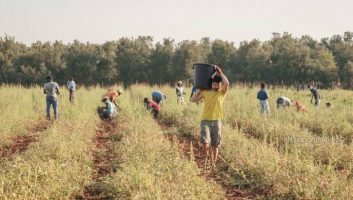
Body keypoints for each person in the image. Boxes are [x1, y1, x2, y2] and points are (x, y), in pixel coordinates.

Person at [191, 66, 229, 170]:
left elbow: (227, 84)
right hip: (205, 121)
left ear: (219, 85)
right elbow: (193, 99)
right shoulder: (205, 92)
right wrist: (199, 89)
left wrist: (220, 73)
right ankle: (208, 158)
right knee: (205, 143)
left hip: (217, 122)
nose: (215, 85)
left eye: (217, 84)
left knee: (215, 145)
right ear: (211, 84)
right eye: (213, 83)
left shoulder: (221, 94)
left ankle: (213, 164)